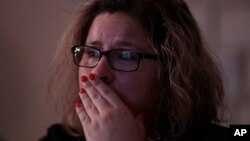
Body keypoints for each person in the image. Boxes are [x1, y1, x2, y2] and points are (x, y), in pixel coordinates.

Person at [40, 0, 229, 140]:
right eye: (92, 52)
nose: (97, 73)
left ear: (172, 70)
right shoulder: (58, 138)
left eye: (125, 56)